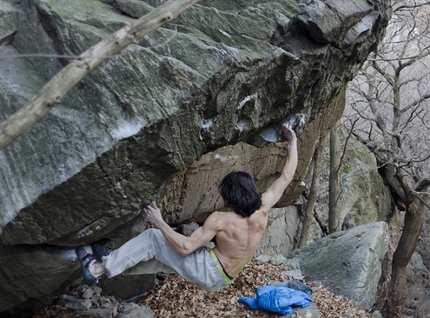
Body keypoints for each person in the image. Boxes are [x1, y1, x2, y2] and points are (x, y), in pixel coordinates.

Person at [76, 122, 298, 292]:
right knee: (162, 256)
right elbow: (287, 175)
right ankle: (115, 260)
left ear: (230, 198)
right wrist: (292, 143)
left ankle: (98, 268)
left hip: (208, 271)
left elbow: (185, 248)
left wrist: (159, 221)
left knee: (155, 237)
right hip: (225, 278)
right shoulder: (264, 206)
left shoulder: (220, 220)